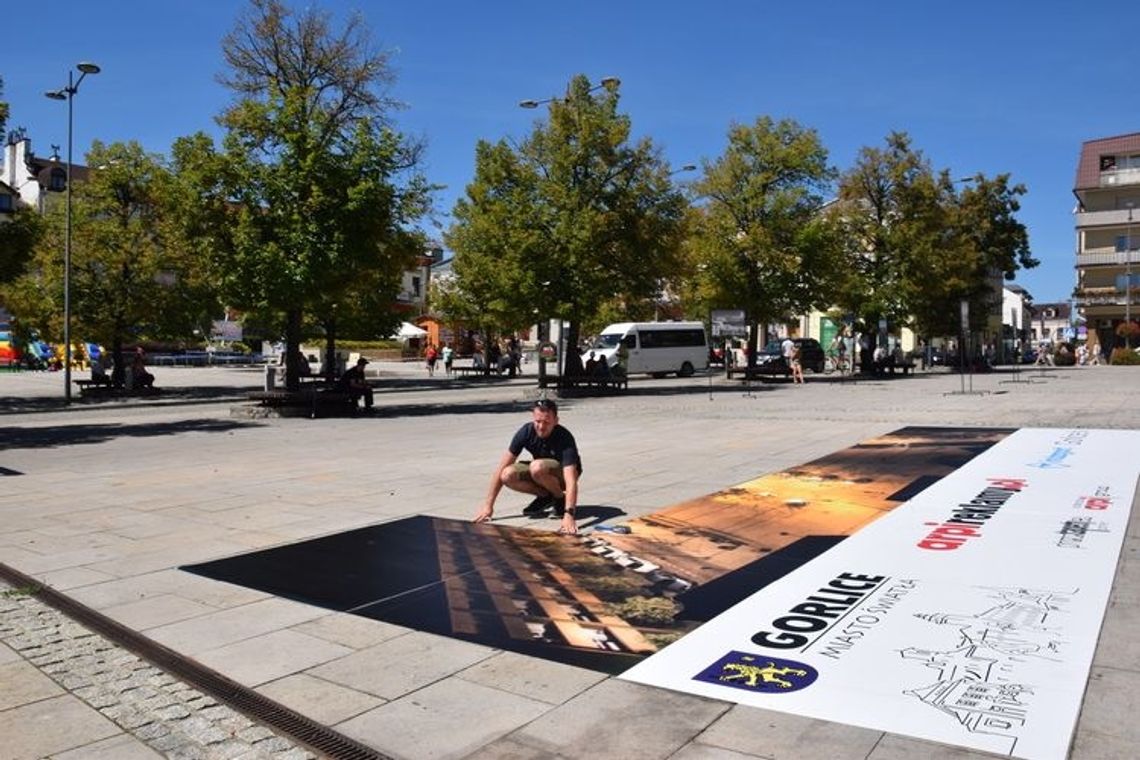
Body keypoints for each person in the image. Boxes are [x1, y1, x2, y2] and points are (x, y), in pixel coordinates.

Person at [474, 399, 581, 535]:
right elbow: (501, 468)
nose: (541, 426)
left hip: (563, 475)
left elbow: (571, 480)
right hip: (541, 472)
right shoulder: (526, 432)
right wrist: (488, 506)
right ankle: (546, 496)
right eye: (537, 421)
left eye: (547, 422)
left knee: (537, 467)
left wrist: (569, 515)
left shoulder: (565, 437)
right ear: (533, 418)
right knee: (507, 474)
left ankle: (560, 498)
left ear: (556, 420)